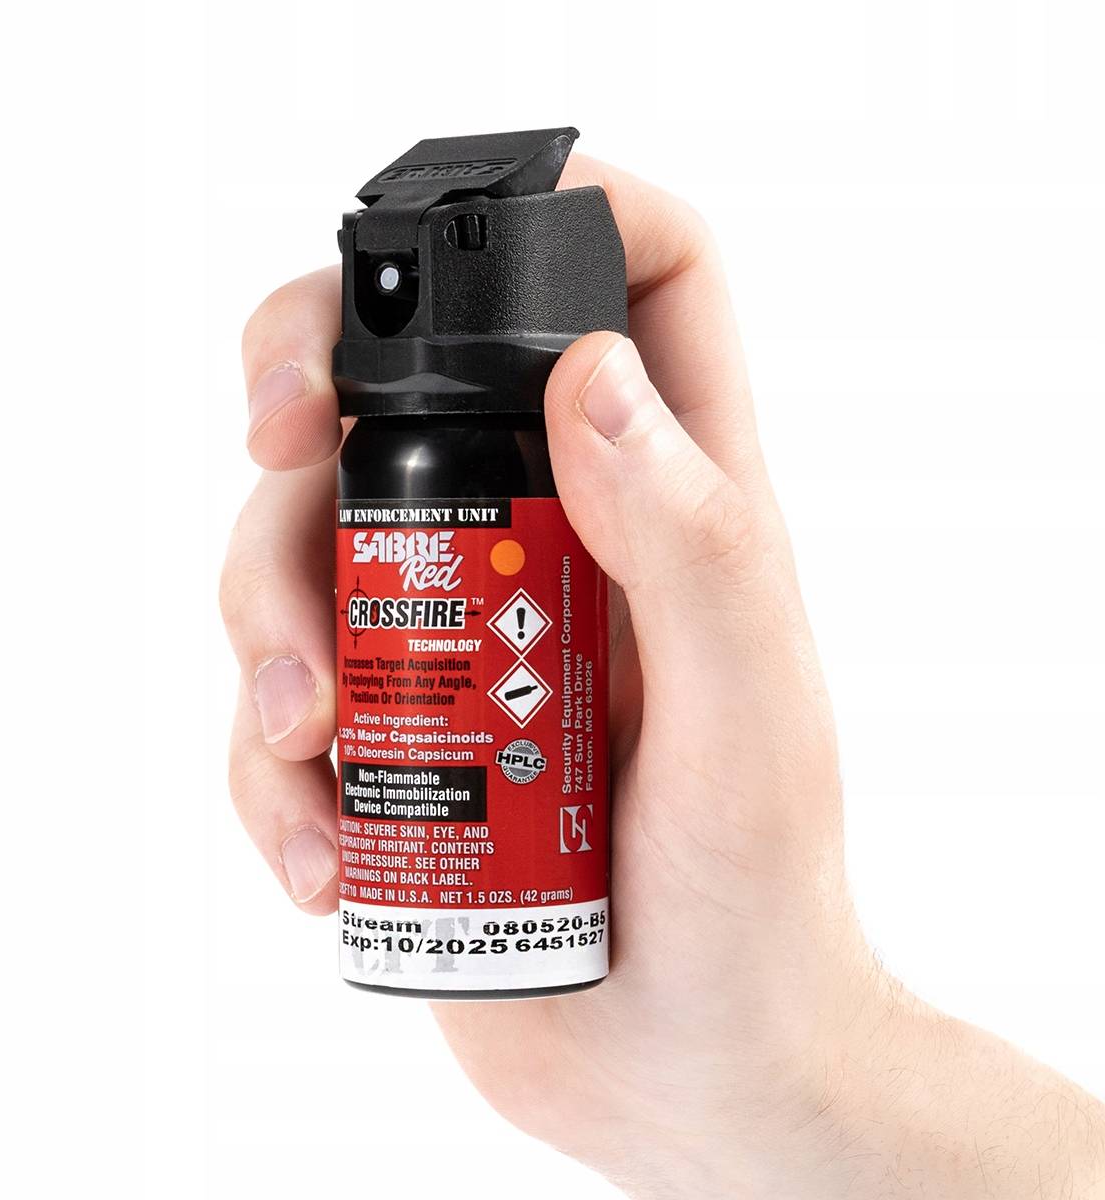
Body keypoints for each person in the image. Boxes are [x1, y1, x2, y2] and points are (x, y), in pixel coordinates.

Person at [219, 155, 1105, 1198]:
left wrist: (804, 1065)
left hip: (569, 922)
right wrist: (759, 1096)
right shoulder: (380, 459)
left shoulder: (548, 446)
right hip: (441, 915)